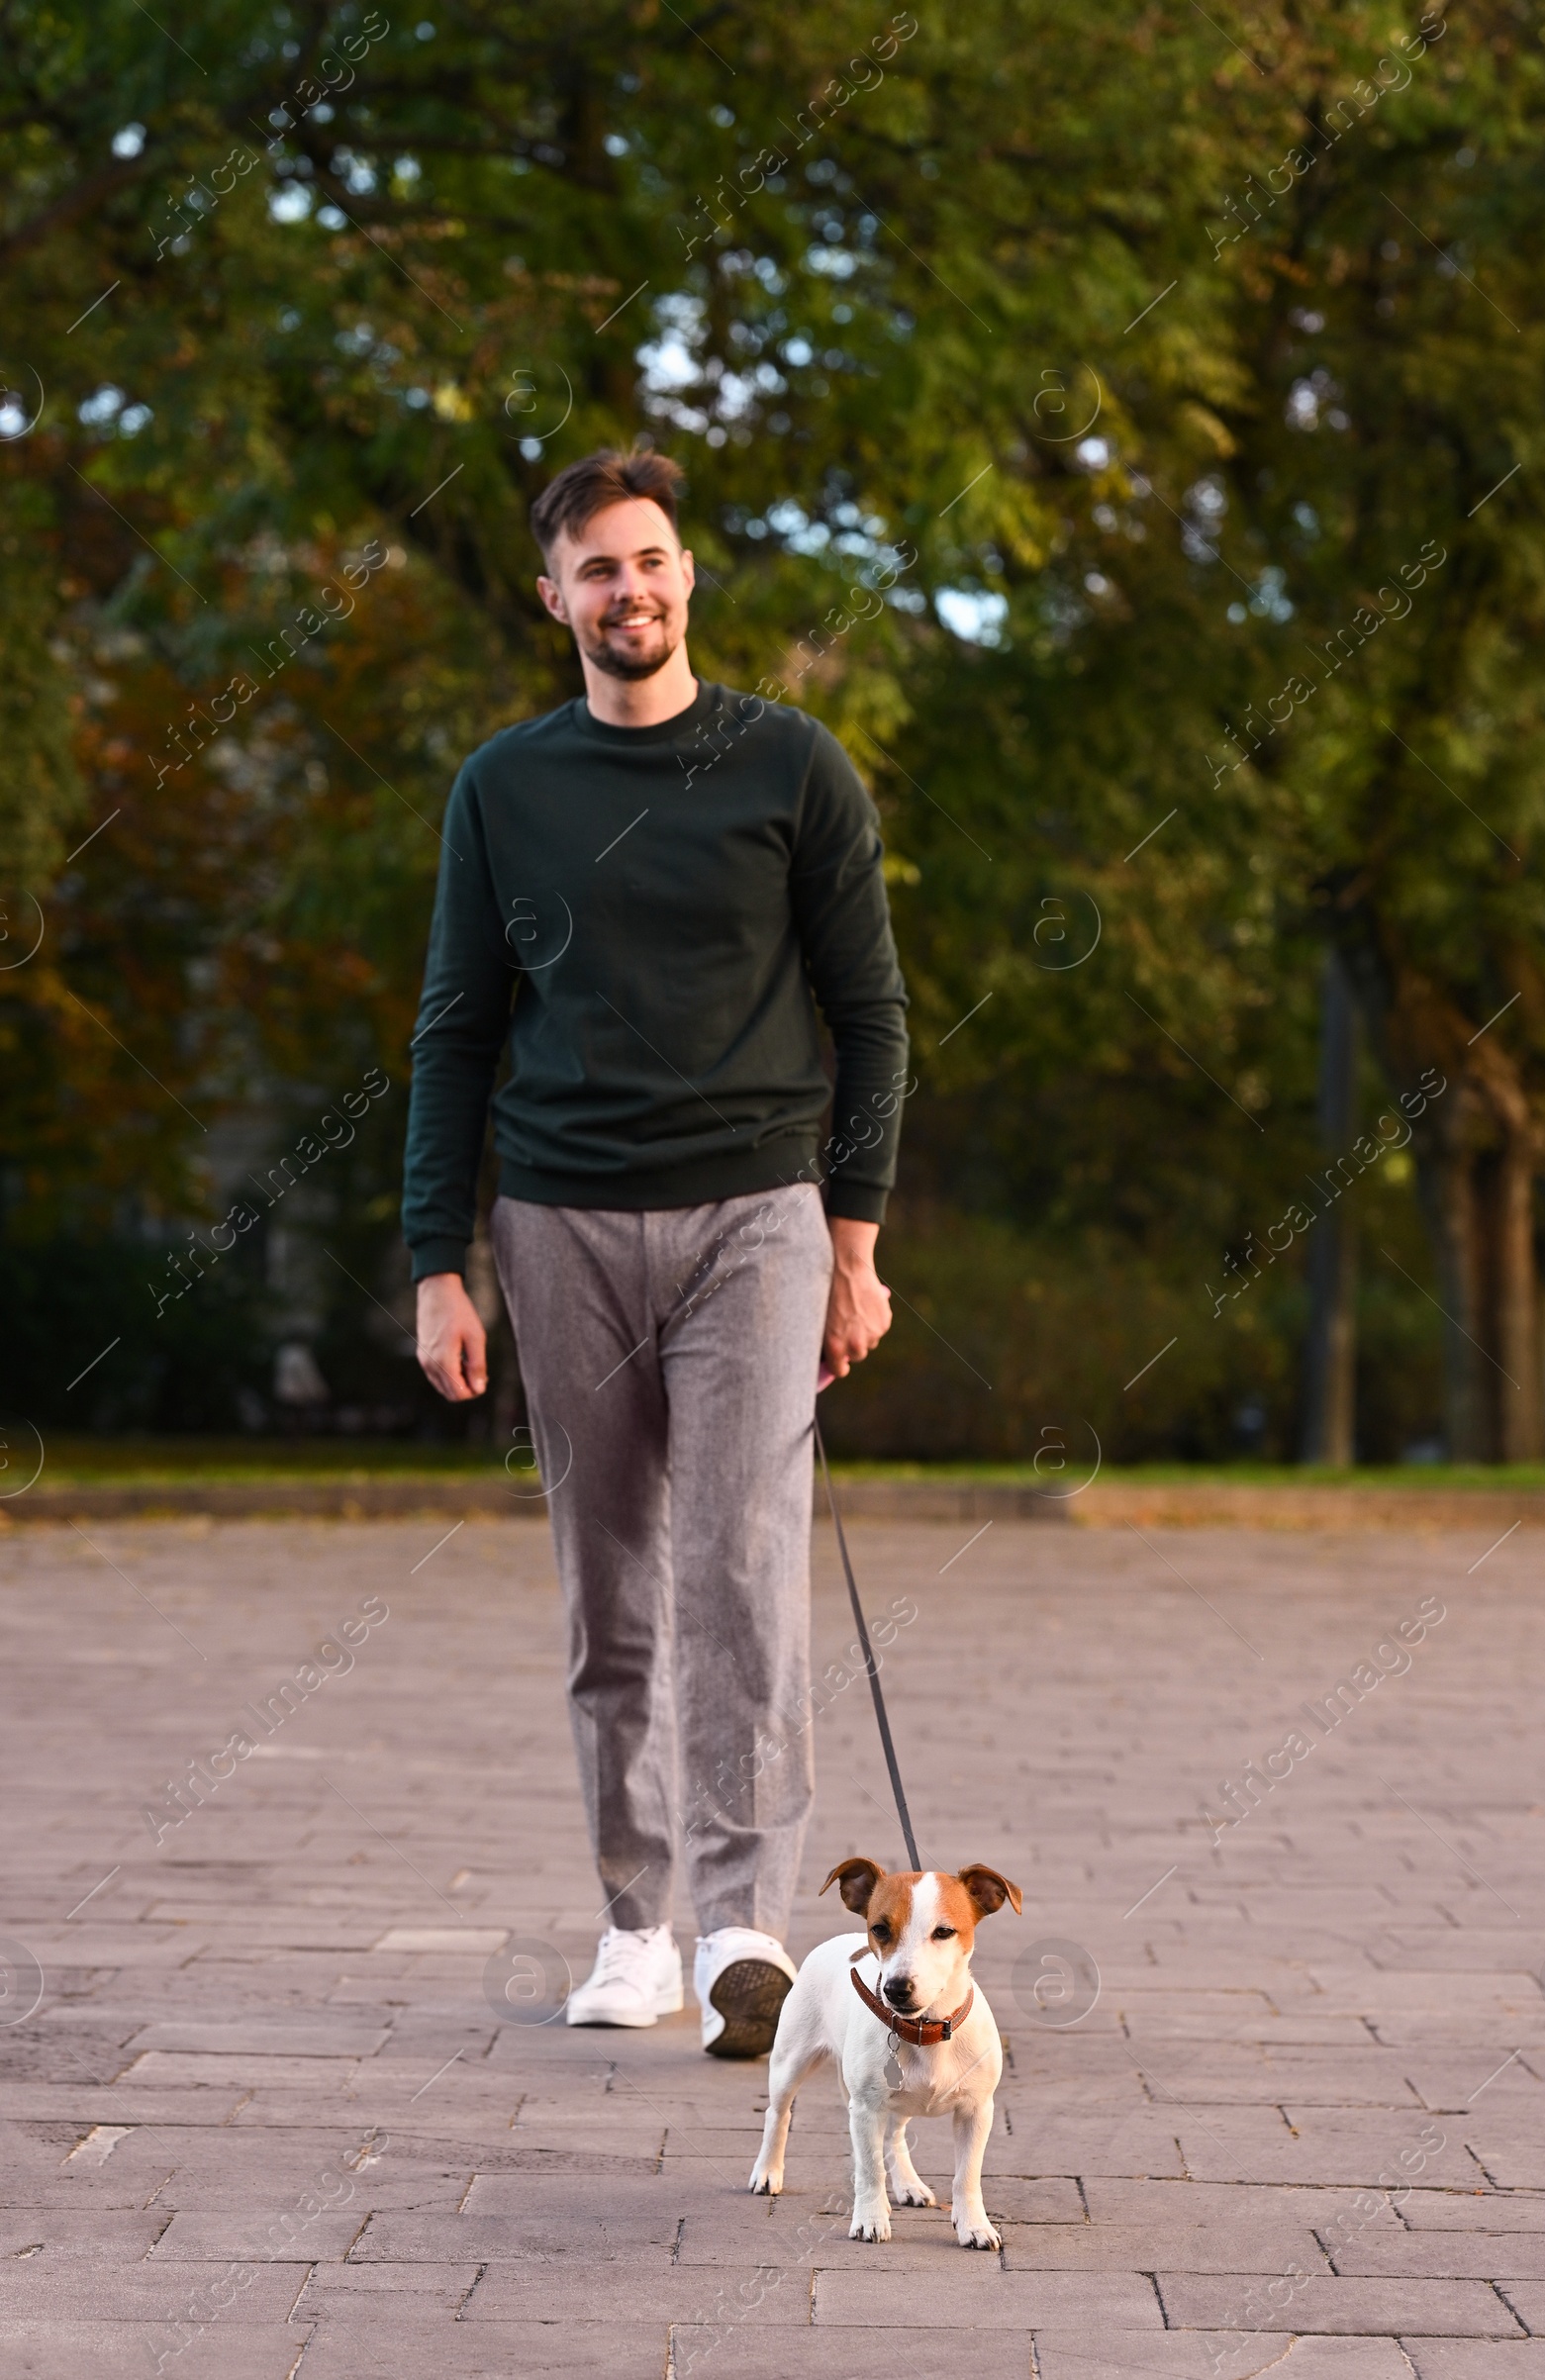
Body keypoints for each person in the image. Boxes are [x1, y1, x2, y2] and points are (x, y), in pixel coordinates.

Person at [402, 446, 909, 2056]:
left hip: (756, 1216)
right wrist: (437, 1255)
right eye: (598, 569)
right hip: (556, 1219)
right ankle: (638, 1922)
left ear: (690, 575)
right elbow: (455, 1031)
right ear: (554, 597)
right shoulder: (503, 788)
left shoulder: (792, 768)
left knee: (743, 1565)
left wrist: (854, 1240)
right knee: (608, 1580)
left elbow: (873, 1014)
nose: (633, 588)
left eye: (654, 559)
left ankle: (745, 1929)